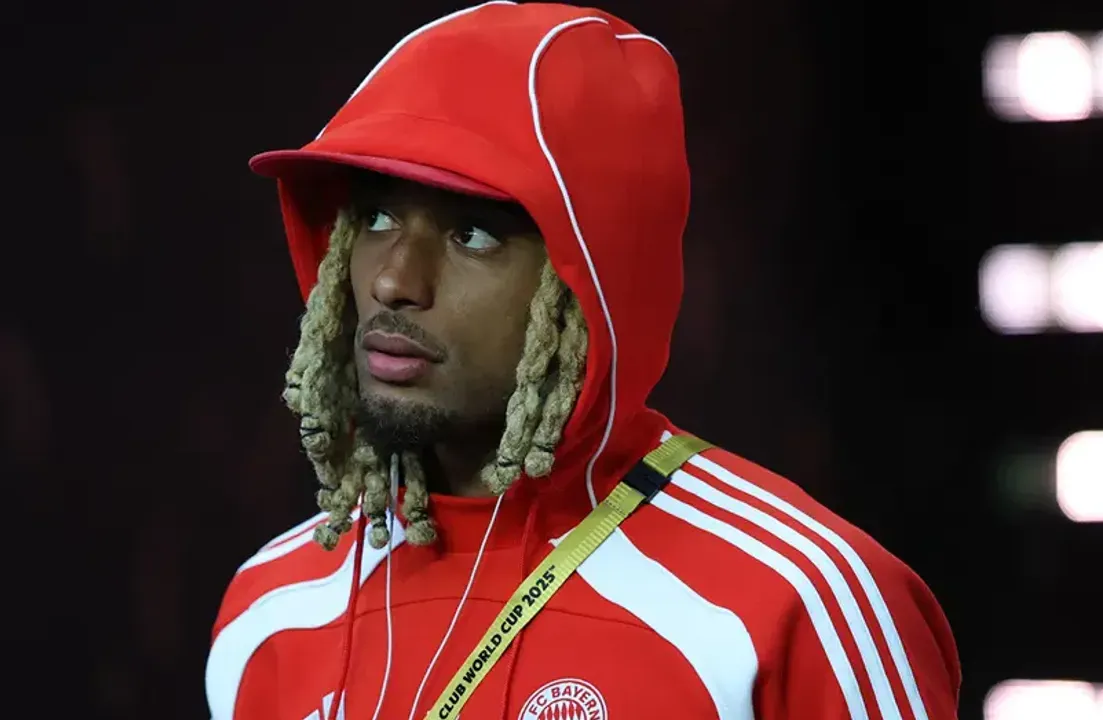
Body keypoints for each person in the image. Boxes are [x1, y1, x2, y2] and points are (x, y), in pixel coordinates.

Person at [205, 3, 961, 719]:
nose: (394, 281)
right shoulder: (265, 612)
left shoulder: (797, 601)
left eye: (474, 234)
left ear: (592, 278)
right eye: (375, 217)